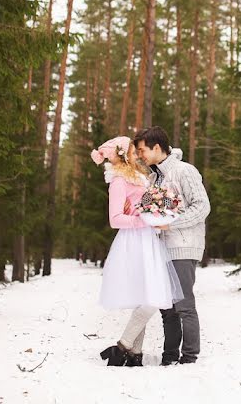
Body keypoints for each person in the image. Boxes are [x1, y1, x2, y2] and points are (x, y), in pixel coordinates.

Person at [91, 136, 183, 367]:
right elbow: (115, 219)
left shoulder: (139, 176)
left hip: (148, 240)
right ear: (123, 155)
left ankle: (132, 352)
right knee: (149, 297)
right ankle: (126, 347)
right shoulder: (118, 180)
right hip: (133, 241)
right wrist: (144, 221)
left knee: (149, 295)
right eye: (133, 152)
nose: (138, 155)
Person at [133, 126, 211, 365]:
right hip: (161, 249)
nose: (140, 156)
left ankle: (189, 357)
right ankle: (169, 356)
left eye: (142, 150)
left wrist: (170, 224)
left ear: (157, 148)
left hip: (183, 247)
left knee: (184, 303)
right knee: (166, 306)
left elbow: (202, 206)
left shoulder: (184, 171)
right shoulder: (154, 178)